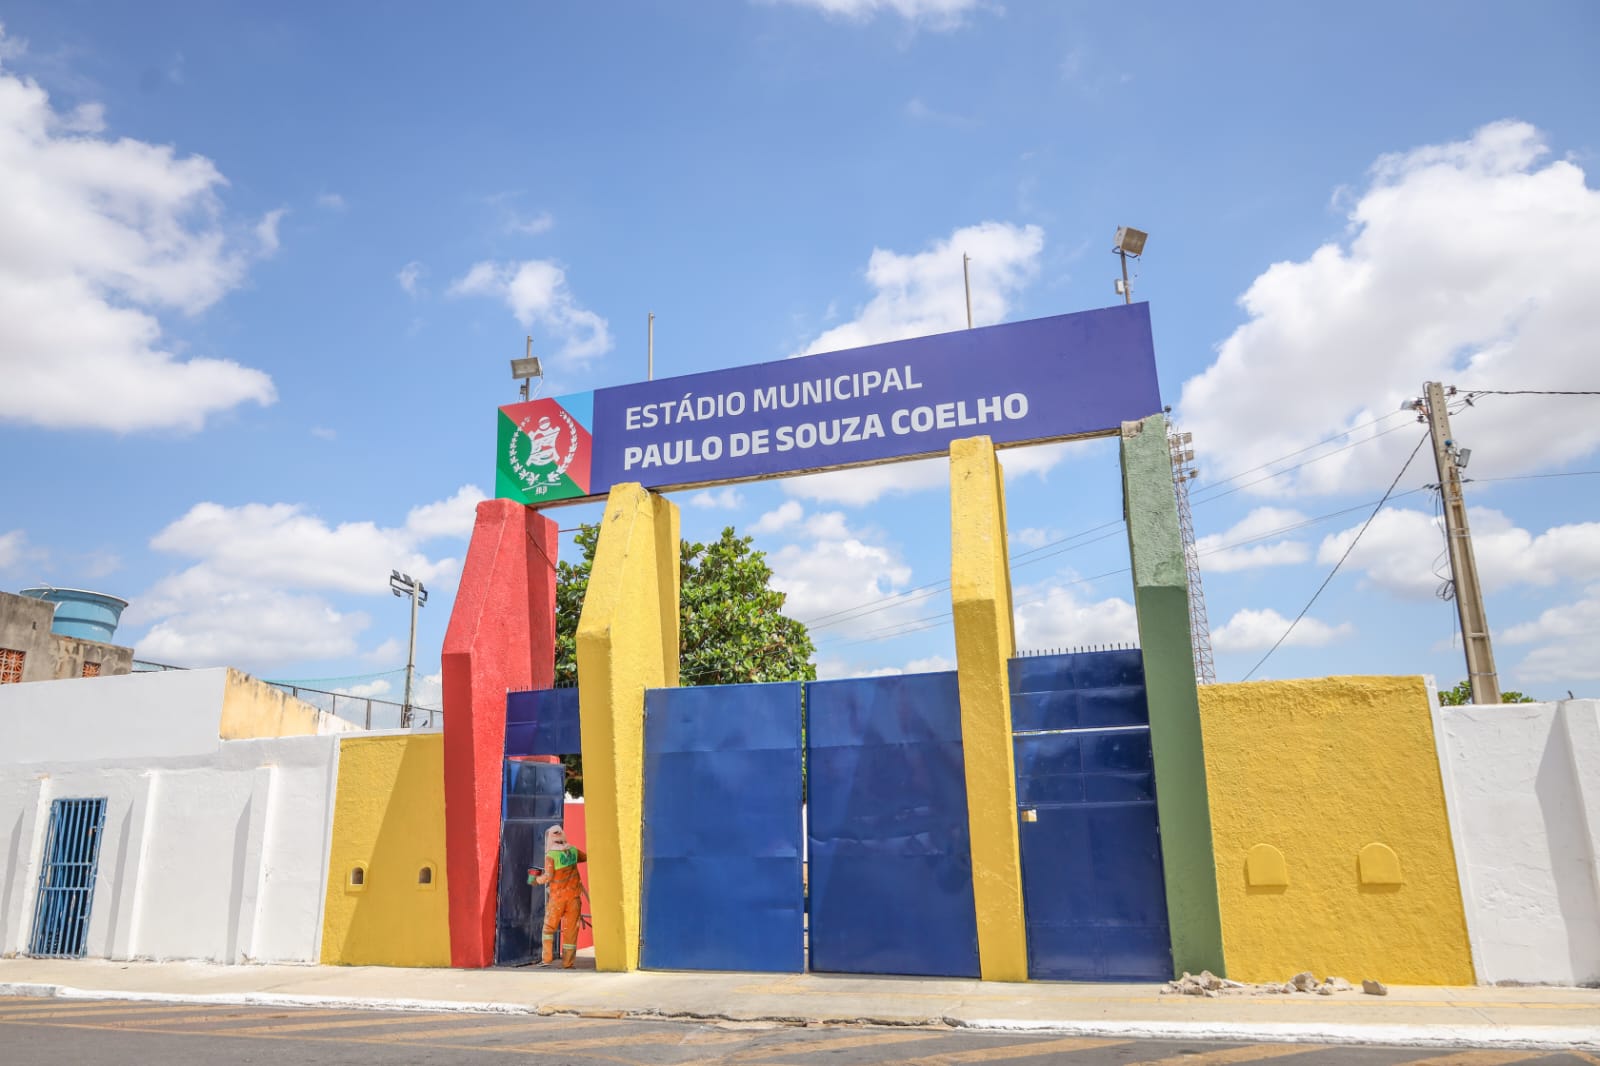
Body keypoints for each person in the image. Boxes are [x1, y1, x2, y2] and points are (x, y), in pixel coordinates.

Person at [528, 824, 587, 968]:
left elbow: (548, 876)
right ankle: (568, 963)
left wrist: (536, 880)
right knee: (571, 931)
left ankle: (547, 960)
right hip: (574, 898)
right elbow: (585, 857)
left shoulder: (551, 856)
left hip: (558, 898)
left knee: (548, 929)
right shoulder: (573, 850)